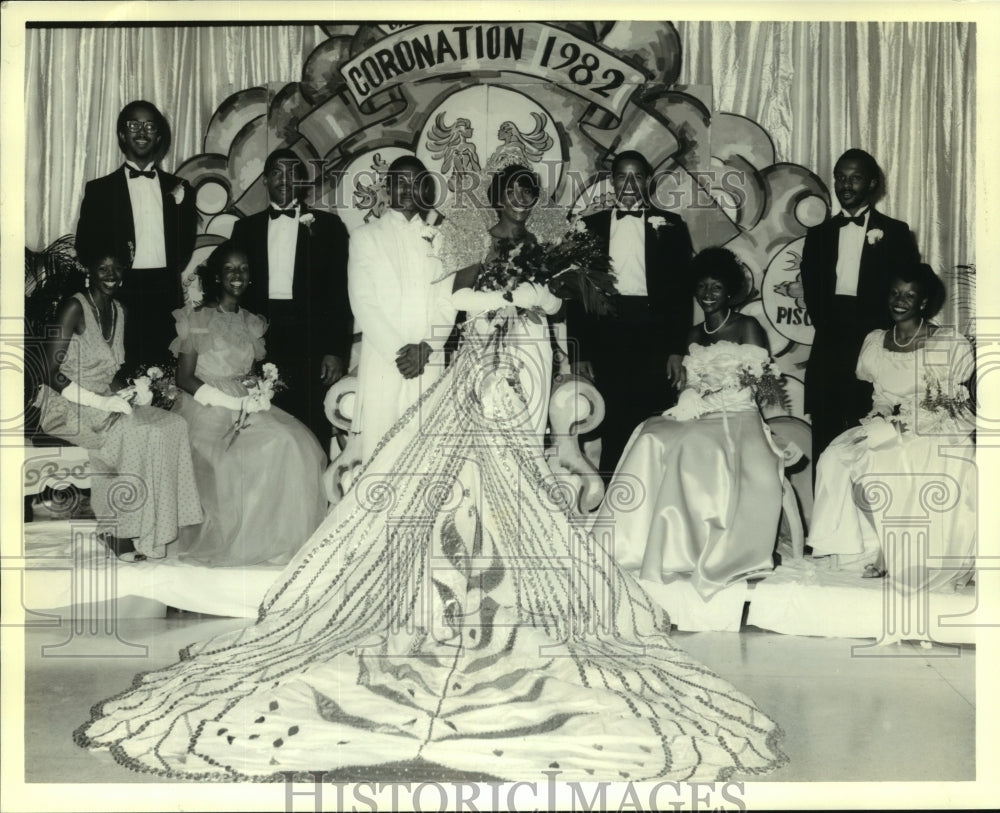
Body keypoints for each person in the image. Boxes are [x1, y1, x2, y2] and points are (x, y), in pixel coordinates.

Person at [74, 170, 786, 782]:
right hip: (468, 352)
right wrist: (472, 313)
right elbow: (452, 293)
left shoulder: (543, 241)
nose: (515, 197)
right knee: (443, 464)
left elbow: (551, 306)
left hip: (526, 350)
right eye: (506, 188)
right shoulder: (459, 238)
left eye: (523, 189)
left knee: (511, 462)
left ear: (531, 197)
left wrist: (530, 301)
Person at [594, 248, 784, 599]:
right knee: (649, 433)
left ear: (730, 291)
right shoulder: (693, 334)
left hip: (737, 417)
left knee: (688, 444)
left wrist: (703, 401)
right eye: (702, 286)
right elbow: (693, 382)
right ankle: (630, 542)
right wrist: (689, 397)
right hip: (701, 414)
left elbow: (756, 385)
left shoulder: (747, 326)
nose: (708, 294)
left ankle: (687, 547)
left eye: (716, 287)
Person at [808, 265, 975, 590]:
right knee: (835, 458)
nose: (900, 301)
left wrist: (913, 422)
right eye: (895, 293)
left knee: (884, 460)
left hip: (933, 427)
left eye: (910, 295)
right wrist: (881, 415)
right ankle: (863, 545)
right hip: (890, 424)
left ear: (924, 302)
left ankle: (890, 551)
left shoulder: (945, 342)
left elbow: (953, 400)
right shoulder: (875, 342)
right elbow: (882, 396)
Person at [34, 250, 202, 561]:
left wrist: (132, 393)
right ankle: (118, 532)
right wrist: (101, 401)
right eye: (103, 267)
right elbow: (47, 371)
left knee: (172, 425)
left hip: (104, 401)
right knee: (136, 433)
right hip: (65, 405)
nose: (111, 274)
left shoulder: (120, 310)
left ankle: (156, 529)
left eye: (117, 268)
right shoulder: (74, 306)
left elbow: (110, 373)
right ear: (90, 270)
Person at [170, 242, 328, 567]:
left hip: (245, 405)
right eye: (229, 269)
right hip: (206, 408)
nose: (237, 276)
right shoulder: (197, 318)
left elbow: (248, 372)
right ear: (216, 275)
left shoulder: (252, 322)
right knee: (238, 458)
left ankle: (282, 540)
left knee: (296, 442)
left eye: (243, 269)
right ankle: (241, 543)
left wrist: (258, 391)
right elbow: (183, 378)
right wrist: (227, 401)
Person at [566, 150, 695, 482]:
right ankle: (612, 500)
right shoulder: (588, 226)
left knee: (653, 421)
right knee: (612, 422)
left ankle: (650, 502)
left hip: (653, 335)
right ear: (612, 181)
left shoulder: (671, 225)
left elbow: (681, 295)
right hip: (608, 336)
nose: (629, 183)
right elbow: (577, 294)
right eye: (622, 176)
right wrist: (580, 351)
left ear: (647, 181)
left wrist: (676, 349)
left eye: (636, 176)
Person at [800, 148, 919, 470]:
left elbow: (907, 292)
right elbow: (813, 297)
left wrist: (879, 339)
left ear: (872, 184)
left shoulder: (895, 232)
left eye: (854, 178)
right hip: (829, 349)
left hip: (875, 346)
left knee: (871, 443)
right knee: (826, 445)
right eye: (840, 178)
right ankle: (825, 520)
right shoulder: (819, 234)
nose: (845, 185)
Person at [230, 148, 352, 452]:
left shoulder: (329, 228)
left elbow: (340, 293)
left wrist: (335, 351)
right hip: (261, 339)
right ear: (265, 180)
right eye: (276, 173)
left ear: (302, 181)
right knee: (263, 426)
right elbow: (234, 293)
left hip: (312, 341)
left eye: (291, 173)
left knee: (311, 425)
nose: (283, 180)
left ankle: (311, 496)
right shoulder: (244, 229)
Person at [347, 155, 457, 463]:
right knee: (380, 451)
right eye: (400, 182)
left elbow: (448, 303)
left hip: (428, 359)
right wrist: (400, 352)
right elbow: (363, 301)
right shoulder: (364, 236)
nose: (408, 189)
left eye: (415, 183)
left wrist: (427, 347)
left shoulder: (441, 240)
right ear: (387, 188)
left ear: (427, 190)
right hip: (384, 360)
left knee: (425, 454)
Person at [75, 100, 198, 371]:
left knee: (164, 370)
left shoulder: (180, 188)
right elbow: (84, 246)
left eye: (149, 125)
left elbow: (186, 242)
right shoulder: (100, 190)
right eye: (133, 125)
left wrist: (168, 274)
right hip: (119, 291)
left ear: (159, 136)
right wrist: (111, 275)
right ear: (122, 134)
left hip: (166, 292)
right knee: (122, 369)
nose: (142, 131)